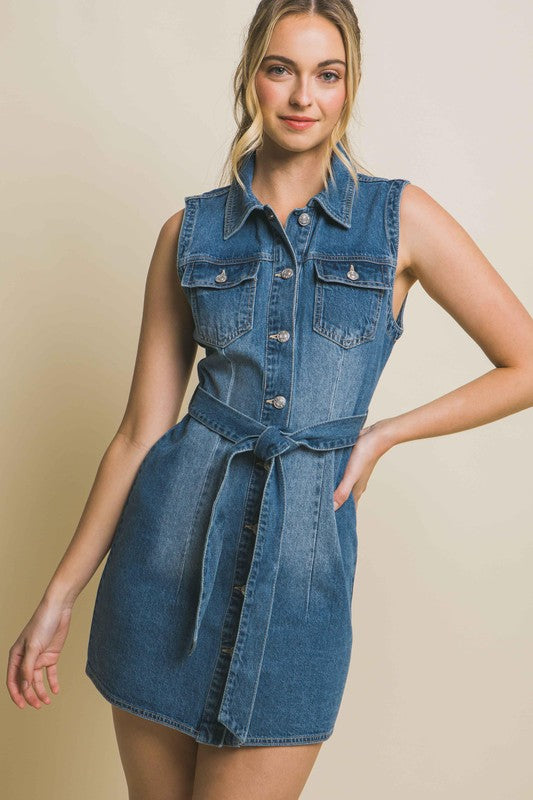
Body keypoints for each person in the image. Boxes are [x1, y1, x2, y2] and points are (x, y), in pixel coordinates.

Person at [6, 1, 533, 798]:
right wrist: (58, 597)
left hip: (300, 582)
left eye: (328, 74)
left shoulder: (398, 221)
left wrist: (385, 433)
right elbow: (140, 433)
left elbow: (522, 363)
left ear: (349, 89)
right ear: (250, 77)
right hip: (163, 563)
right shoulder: (188, 233)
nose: (301, 96)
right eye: (280, 68)